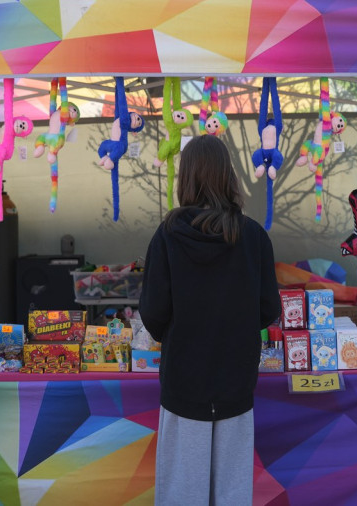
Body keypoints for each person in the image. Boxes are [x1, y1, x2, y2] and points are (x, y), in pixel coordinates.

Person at [138, 134, 281, 505]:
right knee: (232, 494)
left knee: (181, 494)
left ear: (185, 178)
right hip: (235, 384)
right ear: (227, 176)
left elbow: (153, 315)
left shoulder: (167, 235)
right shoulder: (253, 236)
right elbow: (269, 311)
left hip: (183, 384)